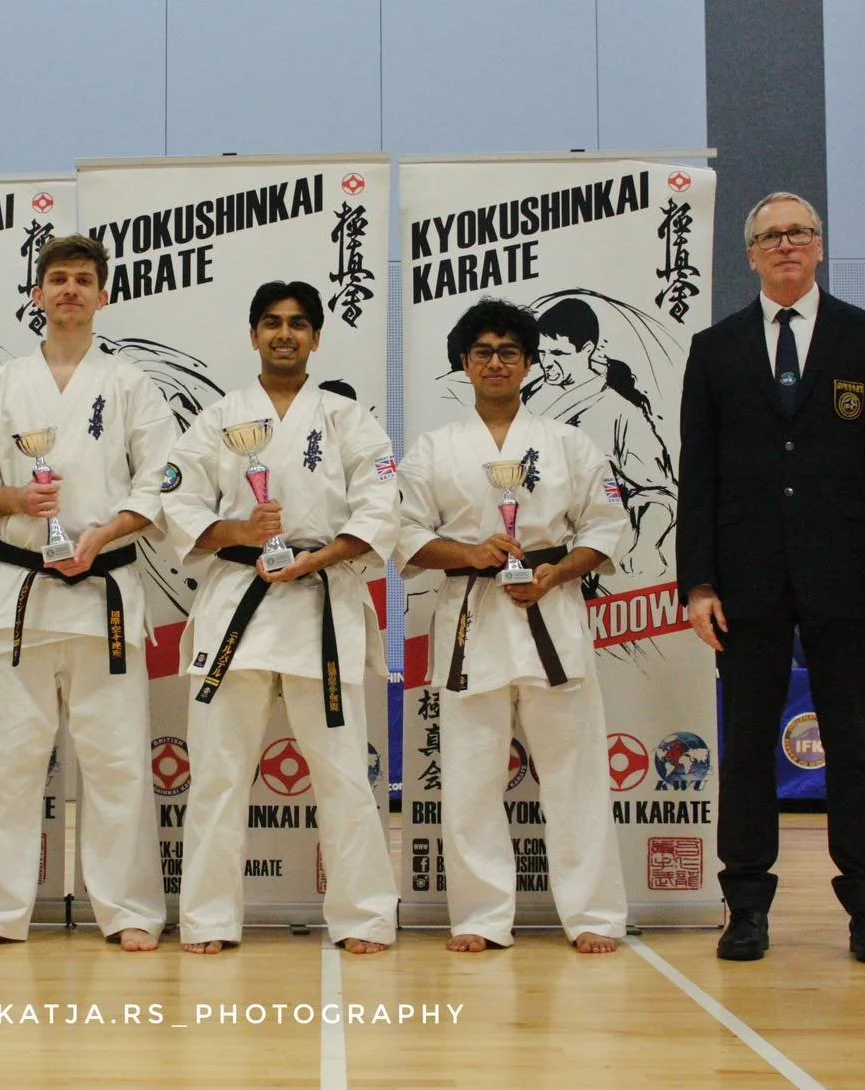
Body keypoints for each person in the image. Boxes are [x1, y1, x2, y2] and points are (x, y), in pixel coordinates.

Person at [678, 192, 865, 965]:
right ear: (748, 254)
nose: (787, 245)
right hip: (744, 580)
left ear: (819, 247)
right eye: (771, 236)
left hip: (848, 577)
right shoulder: (715, 349)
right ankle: (745, 905)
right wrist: (699, 582)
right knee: (747, 744)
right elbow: (699, 477)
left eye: (800, 233)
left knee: (852, 745)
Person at [0, 234, 176, 952]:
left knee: (116, 762)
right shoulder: (2, 385)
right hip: (21, 588)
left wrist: (102, 536)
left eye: (83, 280)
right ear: (38, 295)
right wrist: (18, 495)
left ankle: (130, 908)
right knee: (8, 760)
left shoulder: (132, 384)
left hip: (104, 589)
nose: (70, 290)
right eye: (57, 280)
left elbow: (163, 481)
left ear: (103, 297)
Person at [162, 280, 399, 955]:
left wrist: (322, 555)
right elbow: (175, 505)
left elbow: (381, 503)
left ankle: (364, 917)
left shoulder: (349, 421)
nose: (285, 334)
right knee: (216, 772)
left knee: (345, 774)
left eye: (298, 323)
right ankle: (207, 920)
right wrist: (237, 529)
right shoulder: (217, 419)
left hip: (320, 603)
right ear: (253, 335)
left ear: (317, 338)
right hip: (238, 602)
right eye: (271, 323)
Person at [398, 298, 629, 954]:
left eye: (508, 352)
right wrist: (469, 553)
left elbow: (609, 527)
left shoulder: (569, 444)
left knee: (577, 777)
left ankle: (593, 915)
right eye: (482, 353)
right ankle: (479, 916)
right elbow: (404, 536)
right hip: (472, 619)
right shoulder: (434, 449)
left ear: (529, 364)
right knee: (470, 779)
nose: (495, 364)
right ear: (464, 365)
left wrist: (557, 574)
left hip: (551, 616)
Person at [523, 297, 676, 578]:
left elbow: (660, 492)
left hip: (581, 560)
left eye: (558, 353)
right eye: (543, 353)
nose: (547, 362)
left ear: (587, 350)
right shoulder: (527, 394)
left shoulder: (620, 413)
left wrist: (646, 545)